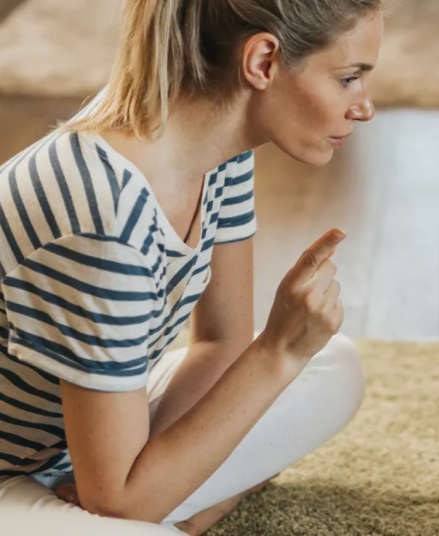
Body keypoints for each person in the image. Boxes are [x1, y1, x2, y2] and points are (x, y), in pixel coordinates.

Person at [0, 0, 382, 534]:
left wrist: (142, 487)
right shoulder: (103, 216)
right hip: (11, 471)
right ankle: (180, 516)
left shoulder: (220, 148)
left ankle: (159, 507)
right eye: (348, 79)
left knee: (333, 367)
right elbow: (117, 504)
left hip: (81, 439)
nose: (364, 107)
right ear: (263, 62)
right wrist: (278, 350)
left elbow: (221, 345)